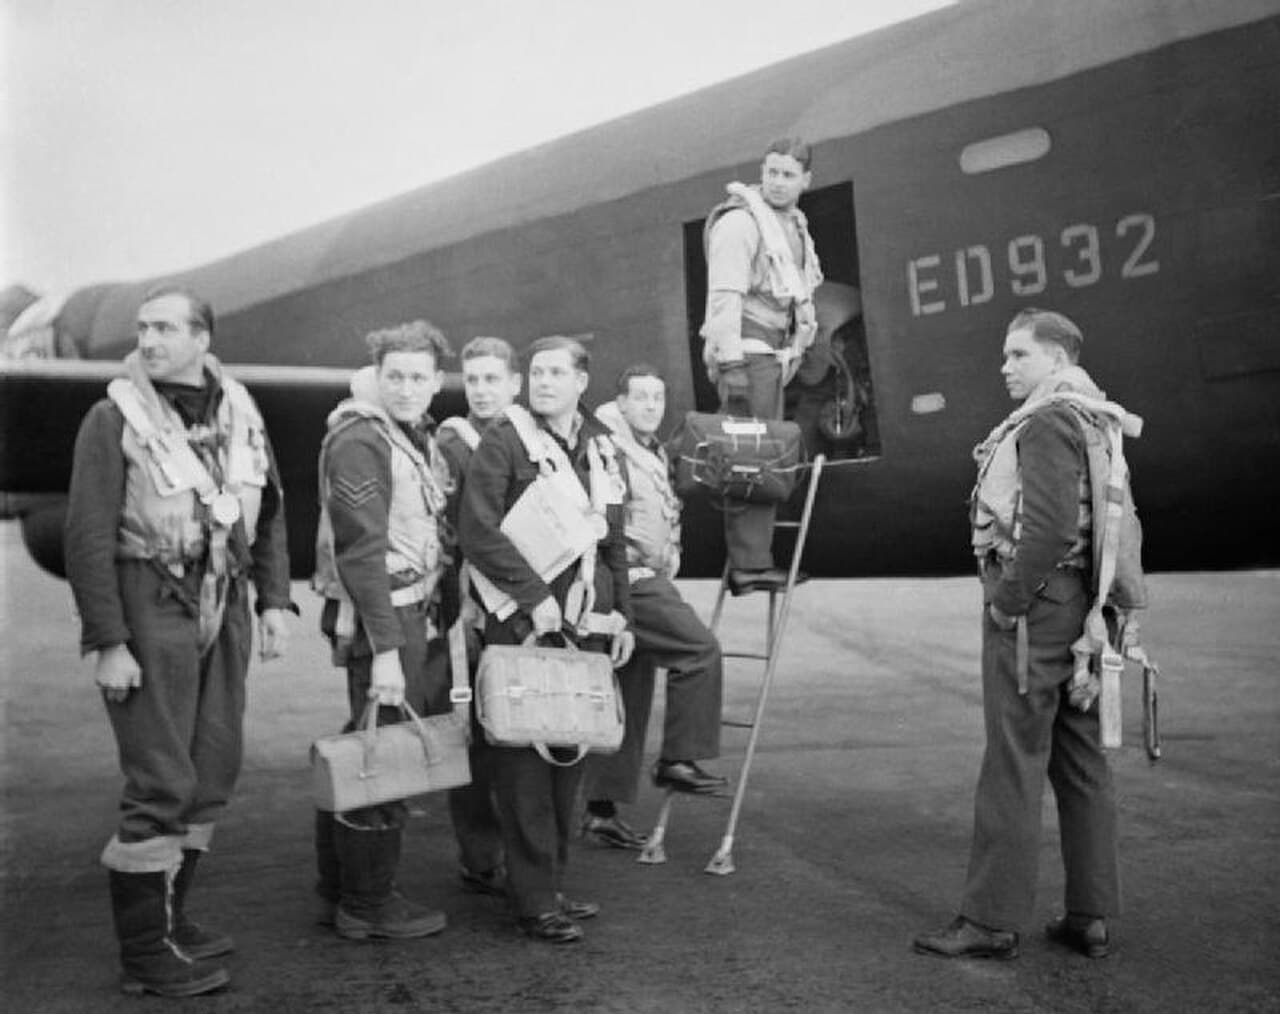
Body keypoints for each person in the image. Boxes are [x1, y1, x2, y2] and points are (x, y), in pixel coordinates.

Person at [65, 284, 293, 997]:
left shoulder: (241, 410)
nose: (150, 340)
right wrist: (109, 641)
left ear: (202, 337)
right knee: (161, 779)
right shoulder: (113, 419)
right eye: (143, 328)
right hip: (149, 603)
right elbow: (86, 538)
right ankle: (144, 957)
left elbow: (273, 511)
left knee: (211, 770)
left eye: (165, 328)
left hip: (223, 603)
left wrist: (276, 598)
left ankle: (171, 917)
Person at [914, 309, 1124, 962]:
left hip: (1037, 611)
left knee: (1012, 761)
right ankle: (1090, 913)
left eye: (1018, 355)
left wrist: (1008, 602)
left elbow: (1053, 527)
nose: (1004, 367)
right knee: (1081, 761)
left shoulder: (1047, 421)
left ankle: (989, 919)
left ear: (1057, 358)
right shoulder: (1095, 415)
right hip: (1085, 606)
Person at [459, 335, 634, 943]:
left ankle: (551, 882)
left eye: (557, 372)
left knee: (571, 753)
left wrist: (625, 618)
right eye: (536, 373)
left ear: (583, 382)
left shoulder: (602, 448)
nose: (544, 382)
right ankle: (533, 899)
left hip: (587, 622)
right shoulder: (505, 441)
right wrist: (535, 603)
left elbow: (614, 543)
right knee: (525, 762)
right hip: (523, 621)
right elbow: (477, 533)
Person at [310, 320, 455, 942]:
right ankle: (367, 904)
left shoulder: (410, 435)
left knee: (364, 742)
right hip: (385, 616)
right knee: (383, 752)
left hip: (410, 609)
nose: (405, 387)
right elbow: (361, 554)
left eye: (417, 377)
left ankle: (339, 886)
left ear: (436, 382)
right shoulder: (360, 441)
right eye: (393, 376)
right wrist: (389, 652)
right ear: (377, 375)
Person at [581, 364, 727, 849]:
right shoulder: (611, 448)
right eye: (640, 397)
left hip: (644, 576)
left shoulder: (646, 449)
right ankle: (678, 759)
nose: (650, 406)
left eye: (658, 398)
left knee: (630, 692)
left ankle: (600, 811)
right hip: (635, 579)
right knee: (699, 650)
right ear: (620, 402)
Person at [700, 136, 824, 595]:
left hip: (772, 355)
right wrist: (732, 364)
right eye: (771, 171)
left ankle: (754, 560)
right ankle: (750, 565)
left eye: (788, 174)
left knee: (758, 456)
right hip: (748, 355)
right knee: (750, 461)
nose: (776, 182)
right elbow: (724, 297)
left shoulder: (792, 225)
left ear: (805, 180)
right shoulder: (741, 223)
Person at [435, 336, 524, 896]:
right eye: (473, 381)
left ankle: (525, 851)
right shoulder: (453, 442)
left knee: (523, 724)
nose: (483, 390)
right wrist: (459, 602)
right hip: (471, 602)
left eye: (494, 379)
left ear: (514, 384)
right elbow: (444, 531)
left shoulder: (524, 436)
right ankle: (481, 854)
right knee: (476, 734)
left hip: (522, 599)